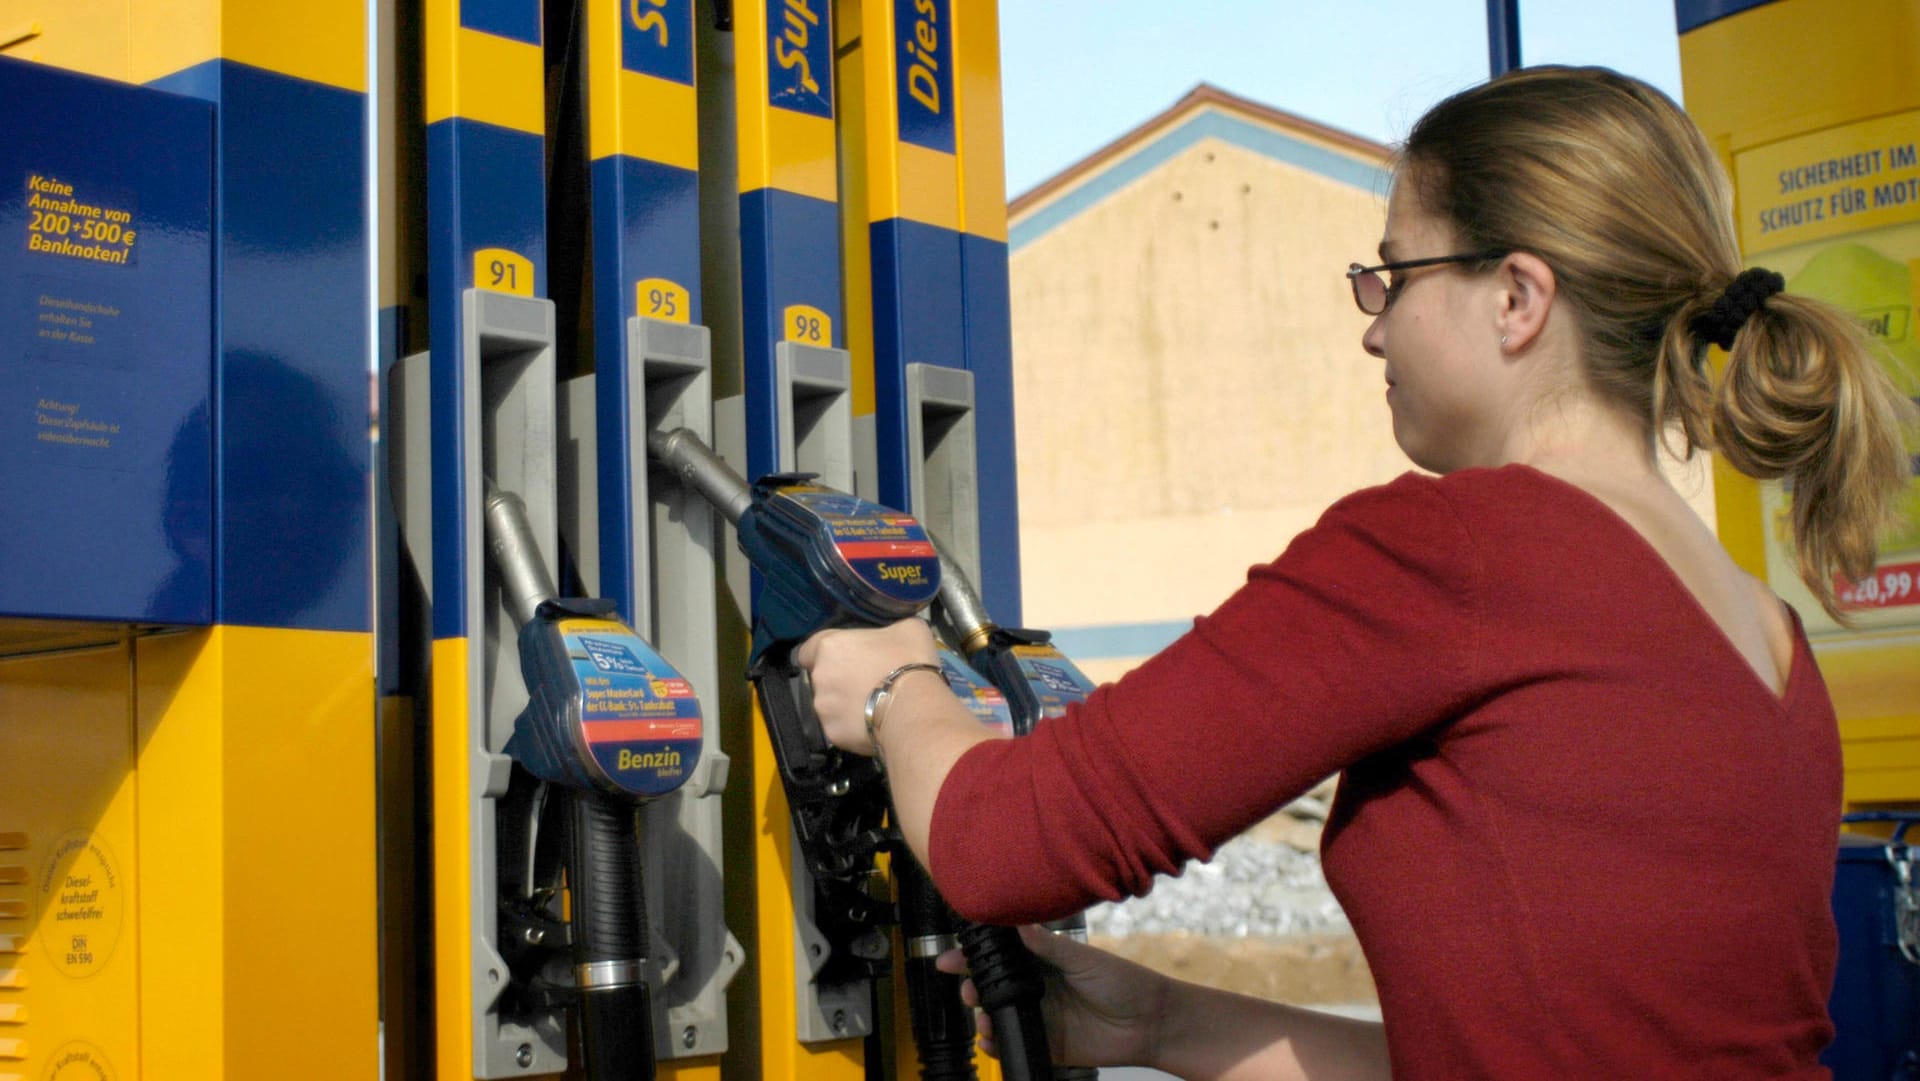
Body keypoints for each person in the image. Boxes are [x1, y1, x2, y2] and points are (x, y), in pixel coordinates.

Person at [796, 65, 1915, 1079]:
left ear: (1518, 297)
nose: (1373, 330)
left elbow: (1007, 841)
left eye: (1394, 276)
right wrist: (1162, 1023)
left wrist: (898, 685)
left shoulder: (1459, 549)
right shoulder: (1763, 632)